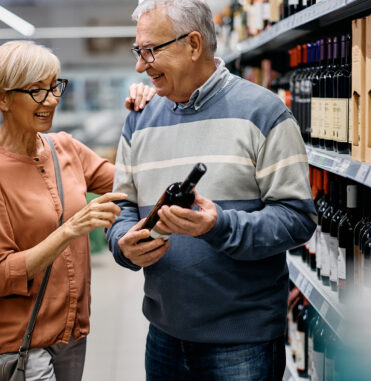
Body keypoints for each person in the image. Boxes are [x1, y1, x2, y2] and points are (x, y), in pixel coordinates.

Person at [106, 1, 318, 380]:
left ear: (193, 44)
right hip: (163, 337)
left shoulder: (264, 113)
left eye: (151, 50)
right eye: (139, 52)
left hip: (243, 344)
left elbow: (297, 219)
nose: (141, 65)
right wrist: (123, 242)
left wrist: (218, 225)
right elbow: (121, 207)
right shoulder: (139, 119)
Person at [0, 40, 153, 381]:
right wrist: (69, 229)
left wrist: (148, 112)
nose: (51, 99)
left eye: (54, 86)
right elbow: (1, 276)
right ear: (2, 98)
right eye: (37, 90)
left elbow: (135, 183)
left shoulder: (64, 147)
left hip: (72, 331)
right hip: (22, 341)